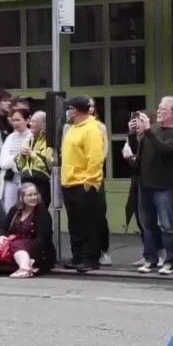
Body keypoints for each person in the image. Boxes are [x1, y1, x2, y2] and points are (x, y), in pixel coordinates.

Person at [128, 97, 173, 275]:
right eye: (159, 108)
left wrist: (148, 132)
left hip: (164, 185)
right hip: (145, 183)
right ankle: (150, 259)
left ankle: (170, 261)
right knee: (147, 224)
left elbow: (166, 150)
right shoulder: (152, 129)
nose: (159, 112)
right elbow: (138, 152)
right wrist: (132, 134)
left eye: (163, 109)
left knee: (167, 225)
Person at [61, 96, 107, 272]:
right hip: (70, 182)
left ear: (75, 110)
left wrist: (89, 182)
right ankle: (78, 256)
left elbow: (95, 159)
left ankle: (90, 258)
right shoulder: (73, 128)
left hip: (83, 183)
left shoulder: (91, 129)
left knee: (89, 223)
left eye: (68, 108)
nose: (66, 112)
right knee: (75, 223)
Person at [0, 182, 55, 278]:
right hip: (14, 244)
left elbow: (43, 239)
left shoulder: (42, 212)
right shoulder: (15, 210)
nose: (33, 197)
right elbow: (3, 228)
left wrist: (22, 244)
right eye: (29, 195)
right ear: (21, 197)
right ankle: (28, 264)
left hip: (36, 247)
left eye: (35, 194)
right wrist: (1, 237)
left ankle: (24, 268)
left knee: (18, 244)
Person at [0, 108, 33, 211]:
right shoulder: (10, 137)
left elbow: (25, 161)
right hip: (10, 178)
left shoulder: (32, 137)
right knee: (9, 208)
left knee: (27, 207)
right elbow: (3, 163)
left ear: (26, 120)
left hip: (26, 178)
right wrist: (15, 159)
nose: (15, 123)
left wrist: (14, 160)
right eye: (13, 120)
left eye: (18, 120)